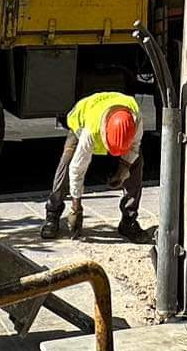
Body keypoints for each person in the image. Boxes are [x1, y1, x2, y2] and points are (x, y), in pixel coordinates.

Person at [40, 90, 144, 240]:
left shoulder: (135, 120)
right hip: (82, 123)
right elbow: (77, 169)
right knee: (67, 162)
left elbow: (134, 148)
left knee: (137, 162)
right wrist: (76, 208)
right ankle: (53, 213)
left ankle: (129, 221)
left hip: (112, 118)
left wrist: (123, 171)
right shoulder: (90, 131)